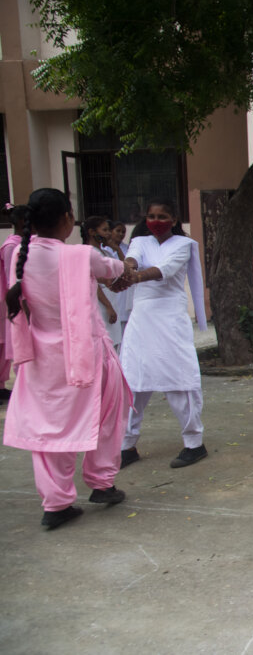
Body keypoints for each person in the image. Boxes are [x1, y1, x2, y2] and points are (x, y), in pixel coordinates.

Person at [2, 188, 131, 529]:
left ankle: (56, 505)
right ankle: (102, 483)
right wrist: (128, 263)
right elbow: (114, 268)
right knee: (105, 415)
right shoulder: (79, 256)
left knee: (48, 429)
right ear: (67, 219)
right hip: (85, 352)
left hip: (40, 358)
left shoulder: (17, 254)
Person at [118, 200, 209, 469]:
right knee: (132, 381)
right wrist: (128, 268)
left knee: (178, 380)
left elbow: (165, 270)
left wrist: (135, 277)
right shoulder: (140, 242)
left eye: (162, 216)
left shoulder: (183, 244)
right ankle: (127, 445)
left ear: (174, 218)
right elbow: (131, 260)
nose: (156, 220)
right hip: (141, 317)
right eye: (151, 216)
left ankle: (194, 443)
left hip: (169, 318)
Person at [0, 203, 30, 401]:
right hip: (12, 302)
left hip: (22, 301)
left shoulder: (25, 242)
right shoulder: (12, 245)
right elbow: (14, 279)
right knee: (14, 346)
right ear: (21, 222)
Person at [81, 216, 122, 349]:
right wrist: (108, 306)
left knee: (114, 342)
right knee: (105, 342)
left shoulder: (105, 252)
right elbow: (91, 281)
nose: (108, 233)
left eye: (109, 230)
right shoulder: (89, 252)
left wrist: (117, 249)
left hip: (111, 300)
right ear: (92, 232)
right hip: (101, 304)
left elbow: (126, 269)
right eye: (104, 230)